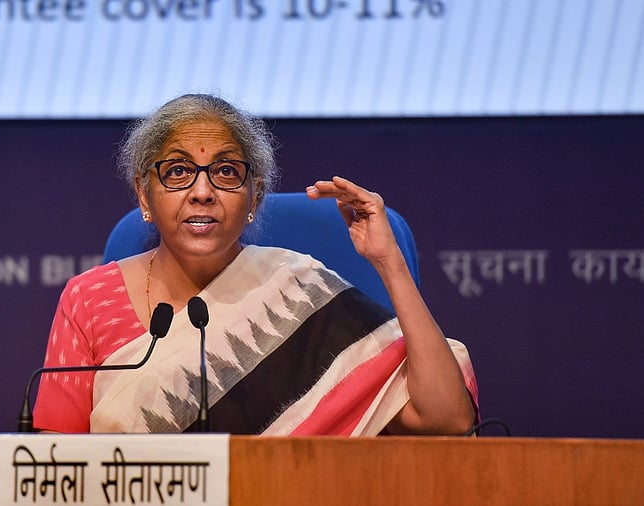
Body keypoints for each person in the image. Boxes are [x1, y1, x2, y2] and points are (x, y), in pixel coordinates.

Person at [33, 94, 478, 435]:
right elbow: (53, 463)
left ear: (254, 197)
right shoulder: (89, 300)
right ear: (144, 194)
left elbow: (447, 418)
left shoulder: (299, 291)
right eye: (177, 171)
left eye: (226, 171)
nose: (202, 191)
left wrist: (390, 263)